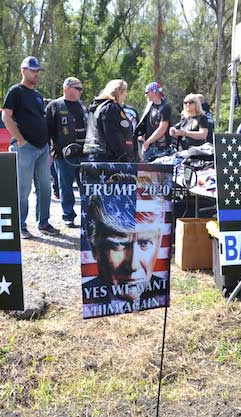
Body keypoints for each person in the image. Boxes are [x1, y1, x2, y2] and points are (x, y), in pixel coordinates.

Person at [82, 173, 169, 317]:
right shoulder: (91, 299)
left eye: (145, 243)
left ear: (159, 243)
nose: (133, 265)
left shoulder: (161, 291)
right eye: (118, 244)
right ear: (93, 246)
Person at [1, 55, 60, 239]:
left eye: (37, 71)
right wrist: (20, 140)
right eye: (33, 71)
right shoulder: (15, 91)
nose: (36, 74)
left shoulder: (37, 95)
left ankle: (43, 223)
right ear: (23, 71)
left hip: (42, 148)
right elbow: (6, 116)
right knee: (23, 189)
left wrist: (48, 146)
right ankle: (20, 226)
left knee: (45, 187)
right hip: (25, 147)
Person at [46, 77, 88, 228]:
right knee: (65, 187)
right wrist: (49, 153)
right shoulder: (55, 106)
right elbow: (48, 131)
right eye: (78, 88)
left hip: (83, 154)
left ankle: (89, 215)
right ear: (67, 88)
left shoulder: (82, 106)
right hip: (63, 155)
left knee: (86, 186)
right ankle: (68, 216)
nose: (81, 91)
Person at [83, 79, 135, 162]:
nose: (126, 95)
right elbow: (112, 134)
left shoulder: (96, 107)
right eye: (125, 92)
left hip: (93, 154)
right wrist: (122, 156)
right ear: (119, 92)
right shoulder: (110, 108)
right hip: (107, 157)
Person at [135, 82, 173, 161]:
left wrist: (148, 142)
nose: (145, 95)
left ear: (154, 92)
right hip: (149, 148)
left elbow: (162, 129)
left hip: (161, 149)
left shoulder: (165, 107)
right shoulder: (149, 106)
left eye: (147, 92)